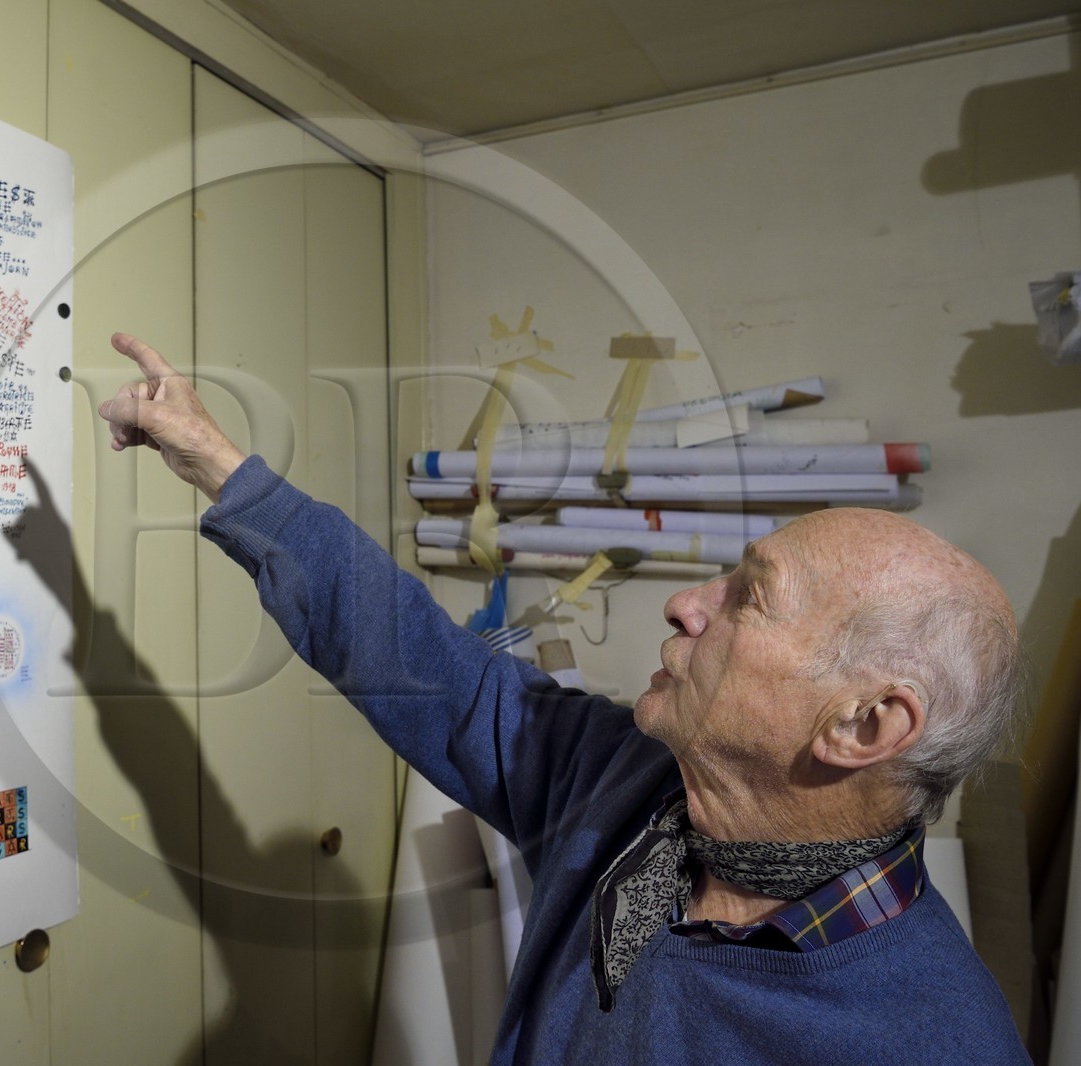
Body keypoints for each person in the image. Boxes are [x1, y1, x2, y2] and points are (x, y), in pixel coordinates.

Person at [97, 332, 1031, 1063]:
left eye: (750, 597)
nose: (684, 604)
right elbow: (421, 663)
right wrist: (221, 465)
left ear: (865, 724)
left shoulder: (927, 1038)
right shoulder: (626, 783)